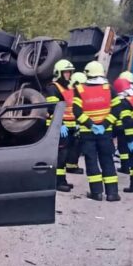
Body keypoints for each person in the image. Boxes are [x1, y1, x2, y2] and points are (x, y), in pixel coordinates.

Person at [73, 62, 120, 202]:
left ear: (87, 73)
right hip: (105, 134)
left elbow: (77, 112)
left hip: (88, 133)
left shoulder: (80, 89)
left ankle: (97, 193)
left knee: (91, 162)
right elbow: (117, 110)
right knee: (107, 161)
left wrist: (91, 124)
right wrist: (104, 125)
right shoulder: (109, 88)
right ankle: (112, 194)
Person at [44, 59, 77, 192]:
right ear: (59, 73)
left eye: (70, 72)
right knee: (60, 155)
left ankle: (62, 180)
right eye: (66, 72)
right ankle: (56, 183)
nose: (69, 74)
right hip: (58, 127)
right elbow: (53, 108)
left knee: (65, 155)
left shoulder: (68, 88)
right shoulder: (53, 87)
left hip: (69, 127)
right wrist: (61, 124)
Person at [65, 71, 88, 175]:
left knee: (70, 146)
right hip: (72, 124)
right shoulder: (76, 94)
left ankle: (70, 165)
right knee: (74, 146)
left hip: (68, 124)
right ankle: (71, 166)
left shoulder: (67, 91)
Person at [113, 72, 133, 174]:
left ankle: (125, 167)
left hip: (124, 127)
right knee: (124, 149)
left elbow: (126, 119)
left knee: (123, 149)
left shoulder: (122, 101)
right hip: (131, 127)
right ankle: (126, 166)